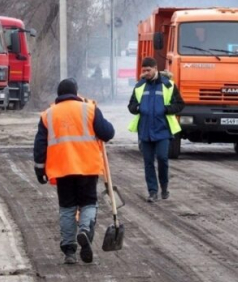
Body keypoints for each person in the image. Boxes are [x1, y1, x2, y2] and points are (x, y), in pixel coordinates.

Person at [33, 78, 115, 265]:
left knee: (67, 208)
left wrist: (39, 169)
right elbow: (108, 133)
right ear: (76, 93)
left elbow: (39, 145)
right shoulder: (90, 109)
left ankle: (69, 250)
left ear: (58, 94)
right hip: (87, 167)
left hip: (62, 169)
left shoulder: (48, 115)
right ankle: (85, 230)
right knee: (88, 203)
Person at [128, 57, 185, 203]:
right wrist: (138, 108)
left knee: (162, 158)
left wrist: (166, 109)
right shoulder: (139, 86)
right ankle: (152, 191)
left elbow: (180, 104)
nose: (145, 73)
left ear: (155, 69)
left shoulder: (168, 85)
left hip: (163, 130)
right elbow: (131, 106)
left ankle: (164, 187)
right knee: (148, 162)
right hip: (145, 130)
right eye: (143, 70)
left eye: (148, 70)